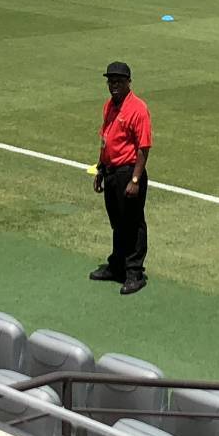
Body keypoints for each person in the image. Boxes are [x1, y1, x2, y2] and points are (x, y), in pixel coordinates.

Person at [90, 61, 151, 295]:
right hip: (112, 171)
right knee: (117, 221)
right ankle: (117, 265)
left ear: (128, 83)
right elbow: (106, 139)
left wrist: (135, 180)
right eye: (110, 81)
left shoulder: (138, 109)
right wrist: (100, 168)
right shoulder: (109, 106)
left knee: (133, 223)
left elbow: (143, 147)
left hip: (128, 171)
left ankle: (134, 272)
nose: (113, 85)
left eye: (118, 81)